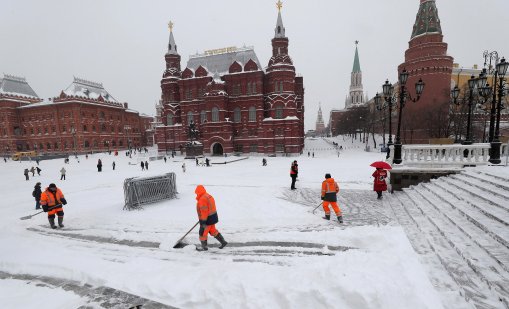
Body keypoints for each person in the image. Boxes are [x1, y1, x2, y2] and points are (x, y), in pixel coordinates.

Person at [194, 185, 227, 251]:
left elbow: (204, 211)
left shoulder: (202, 199)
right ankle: (223, 242)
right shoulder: (208, 195)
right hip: (213, 218)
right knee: (213, 231)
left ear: (198, 192)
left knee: (202, 233)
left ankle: (204, 248)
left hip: (207, 220)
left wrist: (203, 221)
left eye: (196, 193)